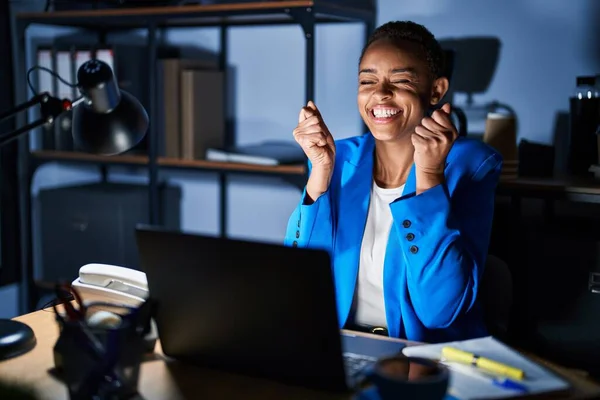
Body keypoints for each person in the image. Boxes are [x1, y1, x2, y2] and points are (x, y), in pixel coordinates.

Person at [283, 20, 502, 343]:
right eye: (367, 80)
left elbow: (440, 312)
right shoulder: (339, 157)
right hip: (340, 346)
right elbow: (298, 288)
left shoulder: (471, 164)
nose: (380, 94)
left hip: (423, 360)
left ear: (437, 90)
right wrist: (319, 176)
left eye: (400, 81)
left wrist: (429, 178)